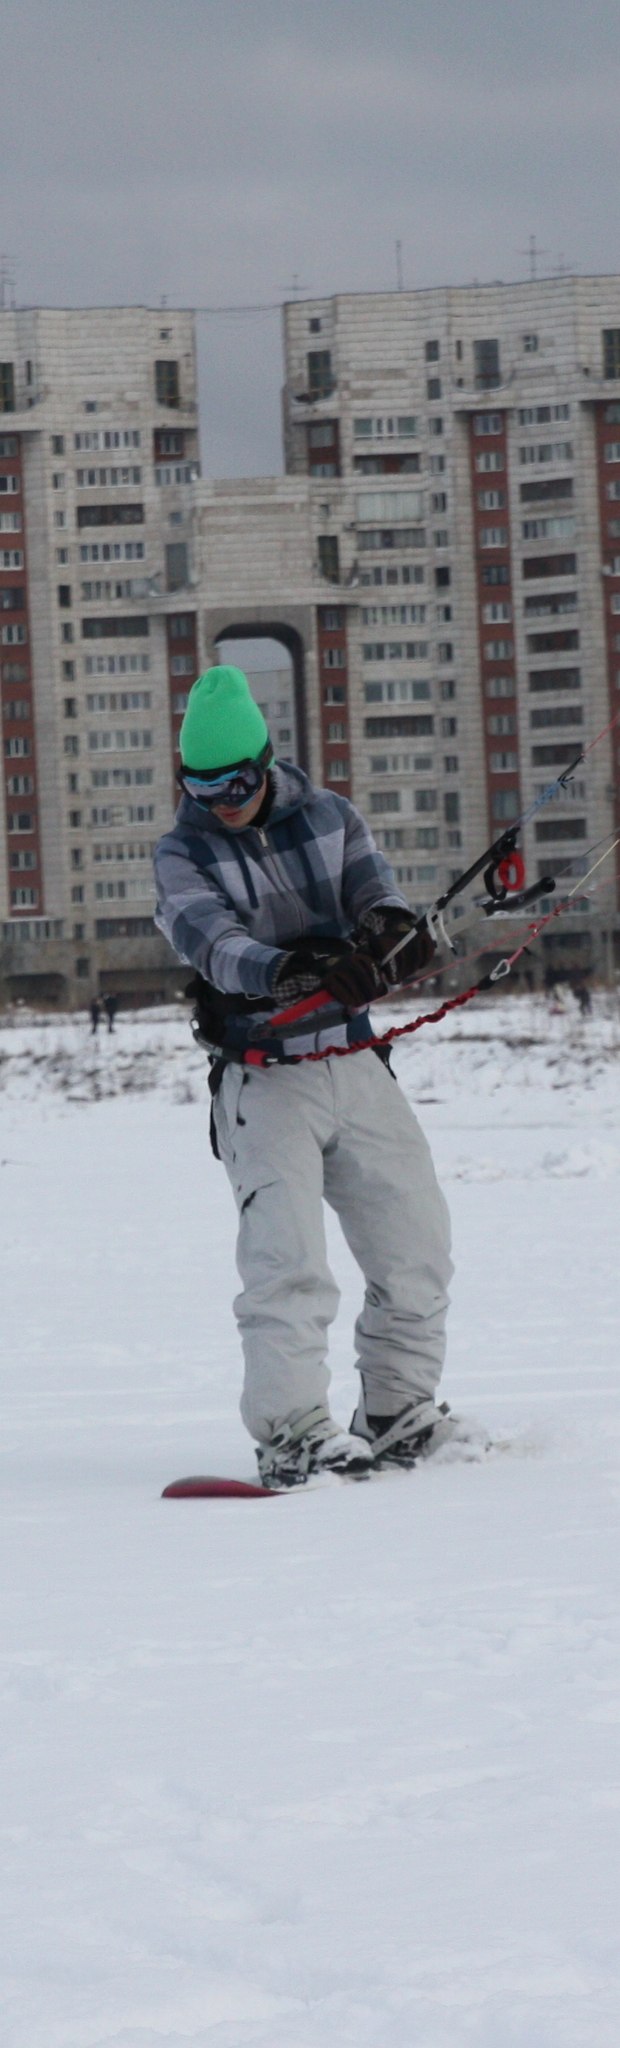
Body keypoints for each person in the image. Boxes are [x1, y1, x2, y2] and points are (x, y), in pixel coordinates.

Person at [154, 665, 456, 1489]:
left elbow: (373, 892)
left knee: (416, 1247)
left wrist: (392, 929)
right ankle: (294, 1433)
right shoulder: (182, 853)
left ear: (266, 760)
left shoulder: (330, 816)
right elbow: (213, 943)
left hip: (355, 1065)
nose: (222, 798)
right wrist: (291, 969)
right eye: (201, 783)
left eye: (236, 780)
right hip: (264, 1079)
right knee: (288, 1265)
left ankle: (399, 1412)